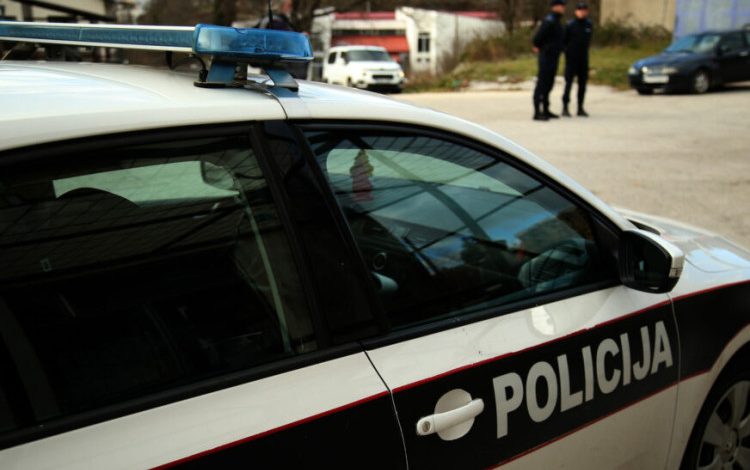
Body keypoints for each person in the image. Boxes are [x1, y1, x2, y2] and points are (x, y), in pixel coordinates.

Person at [532, 0, 566, 121]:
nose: (563, 8)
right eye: (561, 6)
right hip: (546, 56)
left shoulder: (557, 21)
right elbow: (537, 38)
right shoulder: (549, 21)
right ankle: (537, 111)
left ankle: (546, 109)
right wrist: (538, 46)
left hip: (554, 56)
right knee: (542, 83)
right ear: (554, 7)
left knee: (549, 83)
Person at [562, 2, 594, 117]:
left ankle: (580, 107)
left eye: (584, 10)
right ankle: (565, 107)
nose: (582, 12)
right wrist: (567, 53)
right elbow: (564, 42)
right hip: (571, 59)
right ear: (576, 11)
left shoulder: (588, 25)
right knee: (568, 83)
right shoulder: (570, 25)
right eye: (580, 10)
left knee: (582, 84)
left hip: (583, 58)